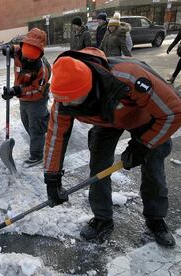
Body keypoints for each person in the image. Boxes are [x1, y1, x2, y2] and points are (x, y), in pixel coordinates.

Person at [44, 47, 181, 247]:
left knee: (153, 166)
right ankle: (102, 218)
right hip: (107, 120)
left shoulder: (129, 77)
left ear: (90, 88)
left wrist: (143, 145)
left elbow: (173, 112)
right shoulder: (64, 97)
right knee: (98, 166)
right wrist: (52, 178)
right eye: (66, 102)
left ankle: (155, 218)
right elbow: (56, 136)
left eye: (75, 101)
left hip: (147, 118)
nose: (69, 106)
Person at [2, 28, 51, 167]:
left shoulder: (42, 69)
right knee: (26, 122)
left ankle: (37, 155)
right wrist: (6, 48)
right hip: (23, 99)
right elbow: (12, 48)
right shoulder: (19, 51)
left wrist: (16, 90)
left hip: (37, 99)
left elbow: (36, 90)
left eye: (31, 58)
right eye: (25, 56)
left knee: (35, 127)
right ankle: (47, 126)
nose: (27, 59)